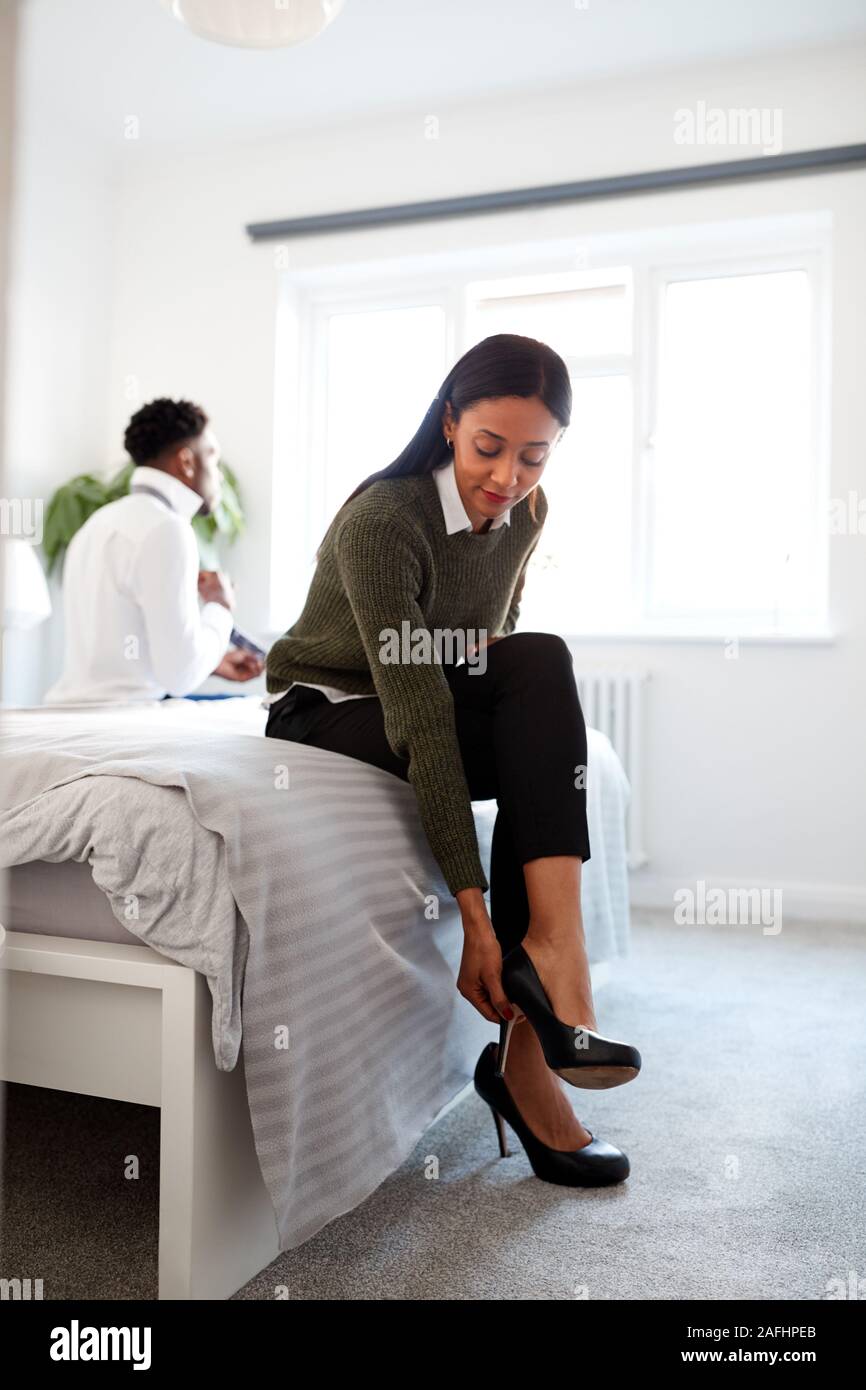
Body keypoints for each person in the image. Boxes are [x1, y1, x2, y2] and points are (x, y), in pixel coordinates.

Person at [265, 333, 640, 1189]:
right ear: (448, 425)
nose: (508, 477)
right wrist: (474, 919)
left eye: (534, 456)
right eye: (488, 448)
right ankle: (540, 1033)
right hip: (329, 706)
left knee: (541, 660)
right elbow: (424, 718)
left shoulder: (528, 515)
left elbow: (493, 650)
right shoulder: (383, 522)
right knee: (509, 717)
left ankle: (552, 968)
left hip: (430, 679)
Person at [44, 398, 263, 705]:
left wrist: (212, 661)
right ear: (186, 462)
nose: (220, 476)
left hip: (73, 711)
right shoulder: (168, 529)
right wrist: (220, 605)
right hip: (125, 721)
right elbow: (181, 675)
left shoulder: (98, 521)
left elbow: (124, 659)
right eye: (212, 459)